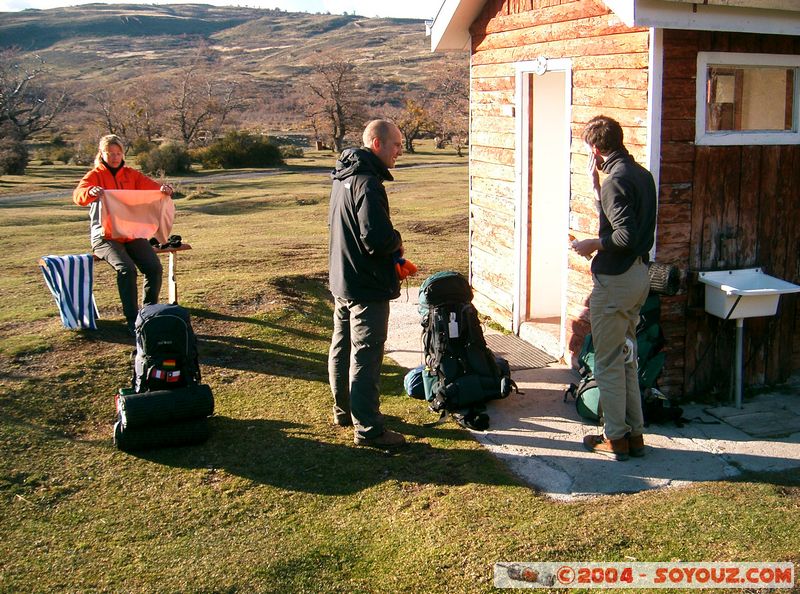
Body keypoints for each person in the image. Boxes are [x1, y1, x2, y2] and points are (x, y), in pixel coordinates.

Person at [572, 116, 657, 461]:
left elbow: (624, 236)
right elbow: (624, 218)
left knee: (607, 362)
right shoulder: (640, 175)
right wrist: (596, 187)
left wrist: (592, 243)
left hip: (616, 281)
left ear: (595, 149)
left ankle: (615, 438)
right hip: (639, 277)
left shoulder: (616, 181)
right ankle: (634, 435)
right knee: (626, 360)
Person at [328, 119, 406, 447]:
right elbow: (375, 238)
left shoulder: (343, 176)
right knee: (366, 353)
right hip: (366, 284)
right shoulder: (368, 183)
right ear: (377, 143)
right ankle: (369, 430)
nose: (400, 151)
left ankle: (344, 410)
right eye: (396, 145)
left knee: (342, 345)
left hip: (343, 277)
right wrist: (397, 241)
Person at [73, 134, 174, 335]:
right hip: (105, 236)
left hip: (131, 233)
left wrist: (163, 189)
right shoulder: (95, 175)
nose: (114, 157)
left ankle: (149, 312)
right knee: (127, 269)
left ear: (123, 154)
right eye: (110, 153)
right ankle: (132, 320)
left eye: (118, 153)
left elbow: (152, 187)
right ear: (101, 154)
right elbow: (78, 196)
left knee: (153, 267)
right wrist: (90, 192)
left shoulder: (131, 175)